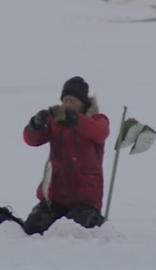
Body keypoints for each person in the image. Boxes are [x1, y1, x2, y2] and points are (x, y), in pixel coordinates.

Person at [21, 76, 110, 235]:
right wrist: (35, 124)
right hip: (55, 197)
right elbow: (31, 140)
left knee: (75, 230)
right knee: (33, 226)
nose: (67, 104)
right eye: (65, 100)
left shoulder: (97, 120)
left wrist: (73, 119)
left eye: (72, 101)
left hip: (85, 199)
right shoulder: (56, 124)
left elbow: (101, 133)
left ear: (82, 103)